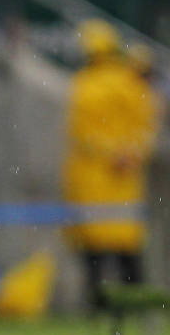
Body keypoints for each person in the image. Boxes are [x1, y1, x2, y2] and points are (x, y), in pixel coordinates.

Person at [63, 20, 160, 311]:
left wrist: (111, 154)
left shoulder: (84, 84)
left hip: (95, 178)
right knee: (126, 249)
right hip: (120, 177)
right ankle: (136, 308)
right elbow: (146, 127)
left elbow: (81, 135)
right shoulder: (129, 82)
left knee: (96, 253)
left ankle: (100, 309)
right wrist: (129, 154)